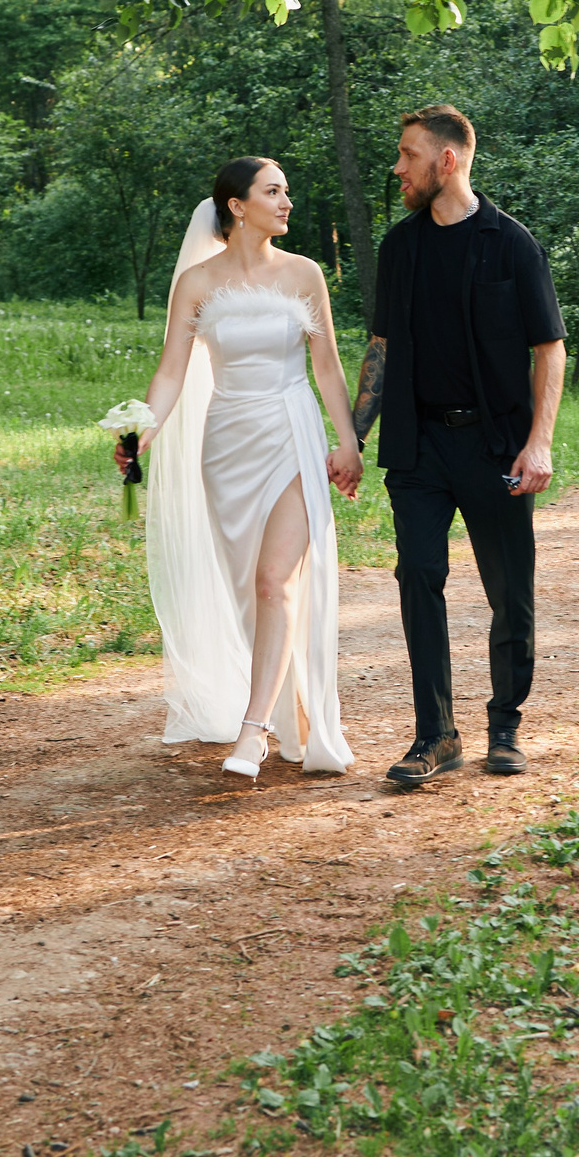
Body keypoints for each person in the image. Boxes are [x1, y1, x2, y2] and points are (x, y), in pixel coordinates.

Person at [350, 106, 566, 785]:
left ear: (447, 161)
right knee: (418, 576)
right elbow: (381, 348)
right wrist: (353, 436)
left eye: (408, 155)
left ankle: (505, 725)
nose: (398, 168)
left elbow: (550, 348)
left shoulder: (511, 243)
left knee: (510, 589)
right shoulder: (400, 247)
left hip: (495, 444)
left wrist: (539, 443)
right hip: (417, 448)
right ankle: (435, 734)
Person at [131, 158, 363, 779]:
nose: (288, 202)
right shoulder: (199, 282)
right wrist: (141, 431)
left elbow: (329, 368)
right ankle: (286, 712)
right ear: (237, 205)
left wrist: (348, 442)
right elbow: (172, 370)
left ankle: (253, 729)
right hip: (228, 443)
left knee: (273, 583)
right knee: (248, 593)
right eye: (274, 191)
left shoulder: (305, 274)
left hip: (291, 432)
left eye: (287, 191)